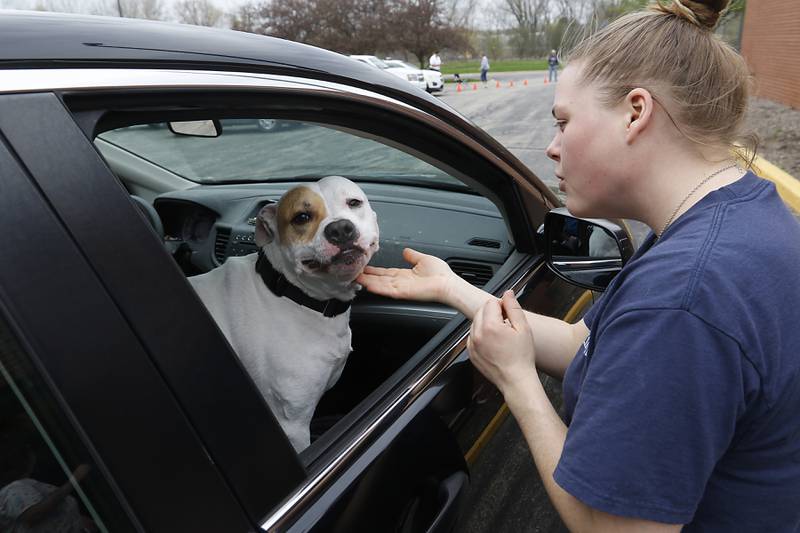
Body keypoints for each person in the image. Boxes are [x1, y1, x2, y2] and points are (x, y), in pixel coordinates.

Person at [357, 0, 800, 530]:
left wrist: (517, 380)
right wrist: (454, 290)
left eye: (563, 122)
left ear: (636, 112)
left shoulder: (685, 294)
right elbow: (583, 346)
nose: (551, 146)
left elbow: (613, 527)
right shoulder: (725, 218)